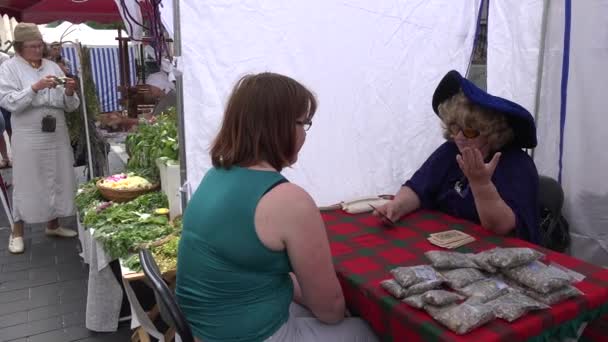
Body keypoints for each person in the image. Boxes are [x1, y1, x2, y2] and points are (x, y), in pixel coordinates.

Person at [176, 72, 377, 342]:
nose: (304, 133)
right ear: (279, 127)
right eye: (303, 123)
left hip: (204, 330)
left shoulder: (215, 176)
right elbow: (331, 310)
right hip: (245, 335)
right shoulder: (289, 201)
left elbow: (257, 270)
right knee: (367, 331)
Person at [375, 70, 540, 244]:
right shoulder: (450, 151)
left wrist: (481, 184)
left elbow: (501, 227)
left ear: (492, 132)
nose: (459, 137)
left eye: (469, 131)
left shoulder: (517, 165)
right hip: (446, 245)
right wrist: (397, 206)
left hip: (497, 255)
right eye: (454, 128)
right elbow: (418, 187)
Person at [0, 23, 80, 254]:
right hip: (28, 132)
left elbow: (71, 107)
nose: (37, 50)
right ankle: (17, 233)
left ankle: (53, 224)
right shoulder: (9, 68)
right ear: (19, 47)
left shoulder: (52, 65)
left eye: (39, 45)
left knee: (57, 175)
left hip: (56, 129)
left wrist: (69, 91)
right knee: (27, 180)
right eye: (32, 46)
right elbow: (8, 101)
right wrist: (34, 88)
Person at [0, 50, 11, 168]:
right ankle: (5, 158)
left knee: (10, 128)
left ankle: (16, 157)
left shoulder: (4, 58)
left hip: (5, 98)